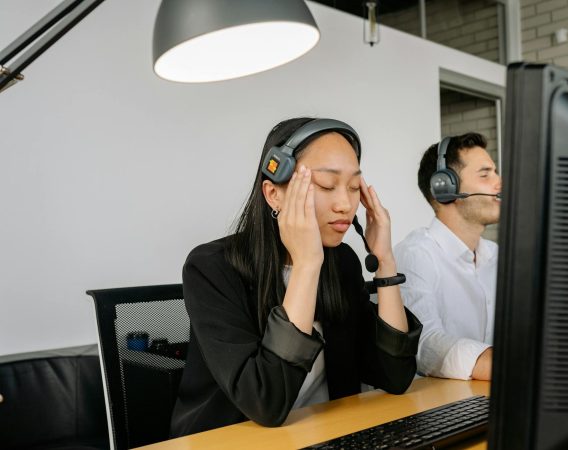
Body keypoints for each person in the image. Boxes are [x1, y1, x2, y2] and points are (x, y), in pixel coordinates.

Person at [171, 118, 421, 436]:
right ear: (274, 194)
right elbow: (267, 404)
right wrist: (305, 265)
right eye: (327, 186)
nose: (345, 204)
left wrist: (385, 263)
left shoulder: (342, 262)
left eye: (354, 187)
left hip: (325, 432)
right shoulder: (211, 268)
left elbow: (396, 376)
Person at [394, 133, 501, 381]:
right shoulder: (416, 255)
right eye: (485, 175)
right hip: (435, 408)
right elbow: (426, 345)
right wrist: (506, 364)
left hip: (488, 397)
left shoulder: (497, 256)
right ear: (445, 186)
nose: (499, 183)